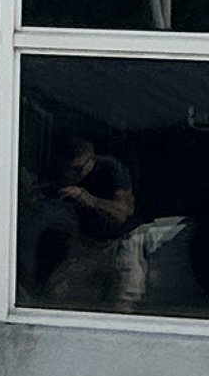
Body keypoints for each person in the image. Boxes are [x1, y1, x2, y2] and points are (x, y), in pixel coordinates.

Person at [51, 130, 144, 313]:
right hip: (86, 242)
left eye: (78, 169)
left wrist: (89, 200)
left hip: (121, 240)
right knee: (62, 294)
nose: (73, 175)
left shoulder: (111, 170)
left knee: (125, 299)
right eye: (67, 169)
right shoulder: (60, 173)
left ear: (91, 161)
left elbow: (123, 211)